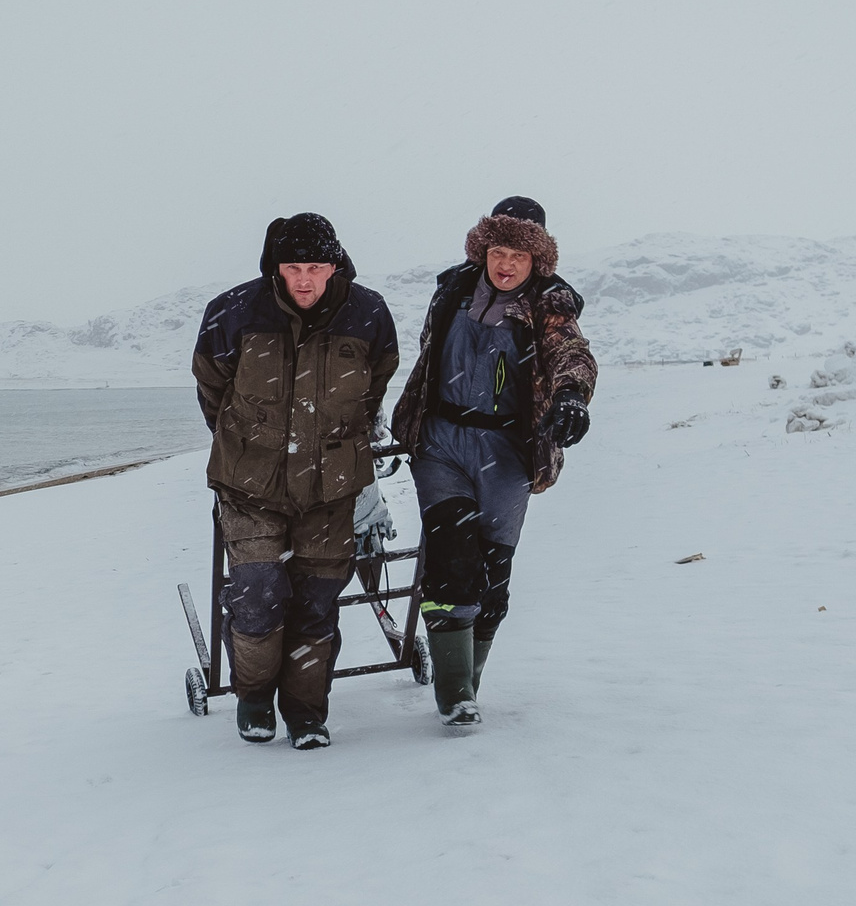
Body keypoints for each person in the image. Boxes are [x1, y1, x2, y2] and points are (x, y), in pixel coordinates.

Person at [191, 213, 399, 749]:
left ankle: (306, 713)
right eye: (292, 267)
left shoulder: (369, 313)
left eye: (316, 267)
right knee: (258, 595)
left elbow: (374, 387)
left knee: (316, 601)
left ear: (335, 265)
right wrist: (253, 444)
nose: (304, 279)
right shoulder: (233, 312)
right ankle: (255, 698)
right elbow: (212, 388)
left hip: (332, 490)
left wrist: (331, 443)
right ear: (275, 268)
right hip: (250, 486)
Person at [388, 195, 595, 729]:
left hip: (506, 453)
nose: (506, 265)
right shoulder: (452, 290)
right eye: (499, 251)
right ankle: (455, 694)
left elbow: (572, 354)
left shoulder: (550, 306)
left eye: (519, 257)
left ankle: (469, 680)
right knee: (452, 557)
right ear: (484, 250)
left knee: (492, 575)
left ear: (536, 262)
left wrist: (572, 395)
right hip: (441, 442)